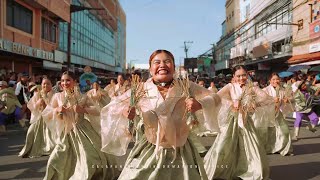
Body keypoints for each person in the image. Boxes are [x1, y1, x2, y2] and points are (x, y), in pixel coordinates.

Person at [101, 49, 221, 180]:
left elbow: (216, 98)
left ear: (174, 67)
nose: (162, 65)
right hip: (149, 151)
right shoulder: (140, 89)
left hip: (181, 152)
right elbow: (112, 108)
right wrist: (125, 113)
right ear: (151, 69)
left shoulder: (186, 86)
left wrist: (199, 104)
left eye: (167, 62)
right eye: (157, 62)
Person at [42, 71, 119, 180]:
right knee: (56, 158)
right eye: (63, 80)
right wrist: (57, 110)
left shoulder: (82, 96)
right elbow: (47, 112)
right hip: (66, 132)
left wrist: (83, 109)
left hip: (83, 130)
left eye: (68, 80)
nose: (65, 83)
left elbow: (97, 110)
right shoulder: (57, 96)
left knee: (89, 157)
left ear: (75, 82)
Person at [204, 65, 272, 180]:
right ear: (234, 76)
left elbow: (266, 98)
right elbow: (217, 97)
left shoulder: (252, 87)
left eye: (244, 75)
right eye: (238, 76)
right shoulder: (231, 86)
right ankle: (220, 170)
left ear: (247, 75)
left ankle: (250, 170)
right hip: (232, 120)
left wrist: (253, 104)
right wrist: (232, 103)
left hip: (246, 121)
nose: (241, 78)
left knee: (250, 147)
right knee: (224, 145)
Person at [19, 78, 56, 158]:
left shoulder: (54, 95)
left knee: (49, 136)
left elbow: (55, 107)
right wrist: (38, 103)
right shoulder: (38, 94)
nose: (45, 85)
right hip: (39, 117)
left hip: (50, 118)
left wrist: (47, 104)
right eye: (44, 84)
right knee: (31, 131)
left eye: (48, 84)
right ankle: (29, 149)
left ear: (51, 85)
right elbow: (31, 106)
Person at [263, 73, 293, 156]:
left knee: (284, 131)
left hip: (278, 114)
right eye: (273, 79)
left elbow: (288, 100)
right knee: (269, 133)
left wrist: (286, 101)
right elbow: (261, 102)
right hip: (268, 114)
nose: (275, 81)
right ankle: (269, 148)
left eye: (277, 79)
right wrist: (272, 100)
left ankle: (283, 148)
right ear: (270, 80)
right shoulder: (265, 90)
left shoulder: (282, 90)